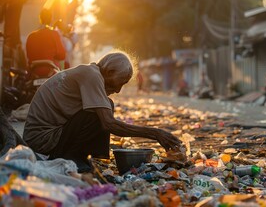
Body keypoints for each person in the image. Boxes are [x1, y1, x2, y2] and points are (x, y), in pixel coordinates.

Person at [23, 52, 182, 172]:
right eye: (120, 82)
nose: (118, 90)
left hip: (50, 136)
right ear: (109, 72)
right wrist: (155, 133)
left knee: (107, 104)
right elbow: (109, 124)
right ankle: (71, 157)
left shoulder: (91, 73)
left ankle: (83, 157)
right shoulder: (91, 75)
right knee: (97, 115)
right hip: (42, 140)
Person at [26, 9, 66, 77]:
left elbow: (28, 56)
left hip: (34, 71)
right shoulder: (54, 34)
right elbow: (62, 55)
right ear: (51, 19)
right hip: (51, 72)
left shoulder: (31, 36)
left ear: (40, 19)